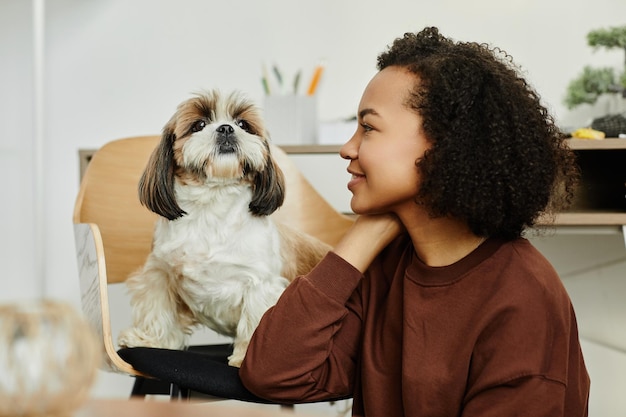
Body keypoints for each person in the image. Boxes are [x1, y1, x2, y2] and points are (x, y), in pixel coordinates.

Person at [239, 26, 590, 416]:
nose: (347, 148)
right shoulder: (385, 265)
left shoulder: (522, 298)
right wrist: (363, 238)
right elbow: (272, 373)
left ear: (444, 145)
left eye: (368, 128)